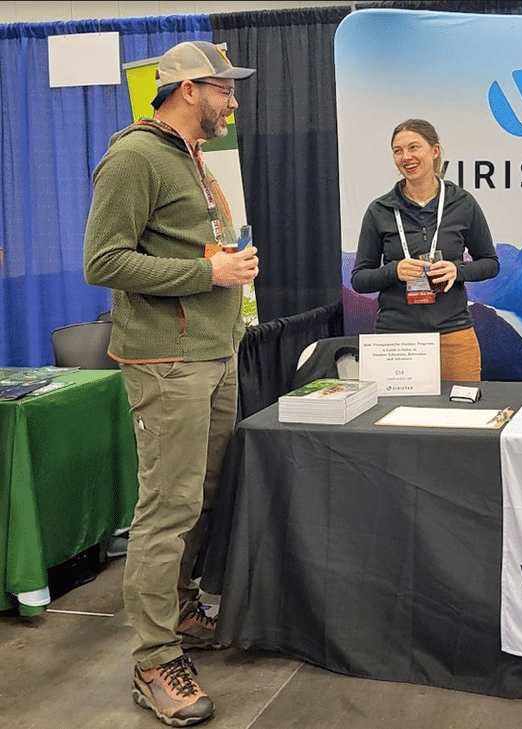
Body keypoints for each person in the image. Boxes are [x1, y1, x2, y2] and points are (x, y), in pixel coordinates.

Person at [82, 40, 258, 727]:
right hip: (167, 365)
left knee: (202, 497)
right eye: (224, 89)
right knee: (166, 508)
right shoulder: (134, 156)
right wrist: (203, 274)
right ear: (188, 88)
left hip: (215, 352)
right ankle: (153, 659)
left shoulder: (189, 154)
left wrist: (221, 261)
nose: (232, 102)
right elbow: (104, 260)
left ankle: (180, 608)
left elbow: (181, 245)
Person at [351, 119, 499, 381]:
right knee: (395, 420)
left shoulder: (462, 203)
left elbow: (490, 263)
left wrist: (457, 270)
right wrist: (394, 271)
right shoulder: (380, 210)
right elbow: (360, 279)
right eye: (398, 150)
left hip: (453, 336)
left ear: (435, 150)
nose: (405, 157)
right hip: (396, 340)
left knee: (462, 417)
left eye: (413, 147)